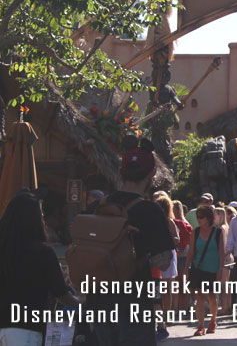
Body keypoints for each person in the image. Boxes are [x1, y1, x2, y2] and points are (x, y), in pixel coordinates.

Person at [85, 140, 175, 346]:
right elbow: (163, 261)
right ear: (152, 173)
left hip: (98, 304)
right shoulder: (150, 211)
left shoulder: (96, 207)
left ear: (119, 170)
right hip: (135, 304)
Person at [0, 192, 80, 346]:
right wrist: (81, 303)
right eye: (41, 216)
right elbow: (61, 294)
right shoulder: (43, 252)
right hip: (26, 329)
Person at [187, 204, 226, 335]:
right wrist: (187, 268)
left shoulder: (218, 232)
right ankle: (200, 326)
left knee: (211, 296)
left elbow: (222, 252)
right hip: (199, 268)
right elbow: (191, 252)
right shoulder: (195, 232)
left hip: (213, 269)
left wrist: (221, 269)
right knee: (199, 296)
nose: (199, 219)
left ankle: (213, 321)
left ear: (209, 218)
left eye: (201, 217)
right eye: (198, 217)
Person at [153, 193, 180, 340]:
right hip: (157, 255)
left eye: (161, 207)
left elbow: (177, 239)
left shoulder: (169, 222)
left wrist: (165, 239)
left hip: (167, 255)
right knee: (158, 289)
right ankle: (160, 319)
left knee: (167, 286)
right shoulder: (153, 222)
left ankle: (166, 315)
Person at [171, 200, 193, 312]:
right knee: (181, 283)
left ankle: (182, 306)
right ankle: (182, 306)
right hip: (182, 255)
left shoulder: (179, 222)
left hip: (182, 256)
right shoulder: (183, 221)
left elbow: (185, 240)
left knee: (182, 283)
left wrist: (180, 248)